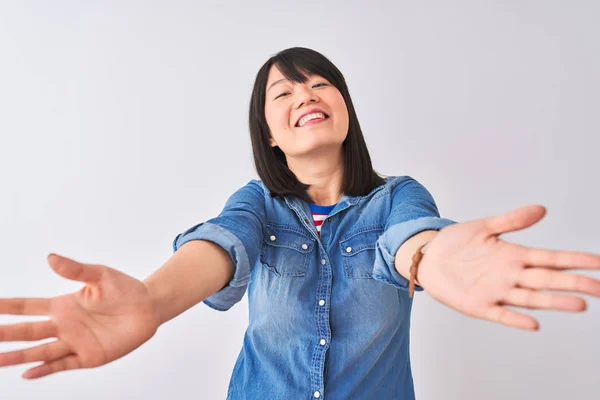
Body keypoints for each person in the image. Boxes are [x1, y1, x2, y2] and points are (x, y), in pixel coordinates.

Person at [1, 47, 599, 399]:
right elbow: (222, 244)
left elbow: (410, 240)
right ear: (268, 131)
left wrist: (436, 259)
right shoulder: (257, 201)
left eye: (319, 84)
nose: (305, 95)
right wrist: (154, 301)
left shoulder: (398, 196)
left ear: (343, 107)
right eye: (282, 92)